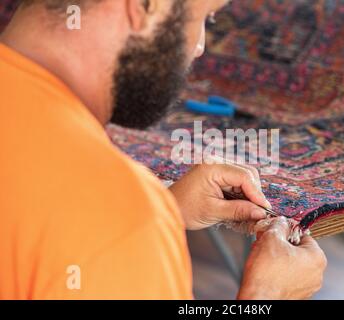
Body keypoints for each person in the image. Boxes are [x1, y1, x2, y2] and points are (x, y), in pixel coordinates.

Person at [0, 0, 326, 299]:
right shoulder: (124, 225)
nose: (199, 46)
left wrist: (168, 205)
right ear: (144, 6)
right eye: (203, 18)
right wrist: (265, 298)